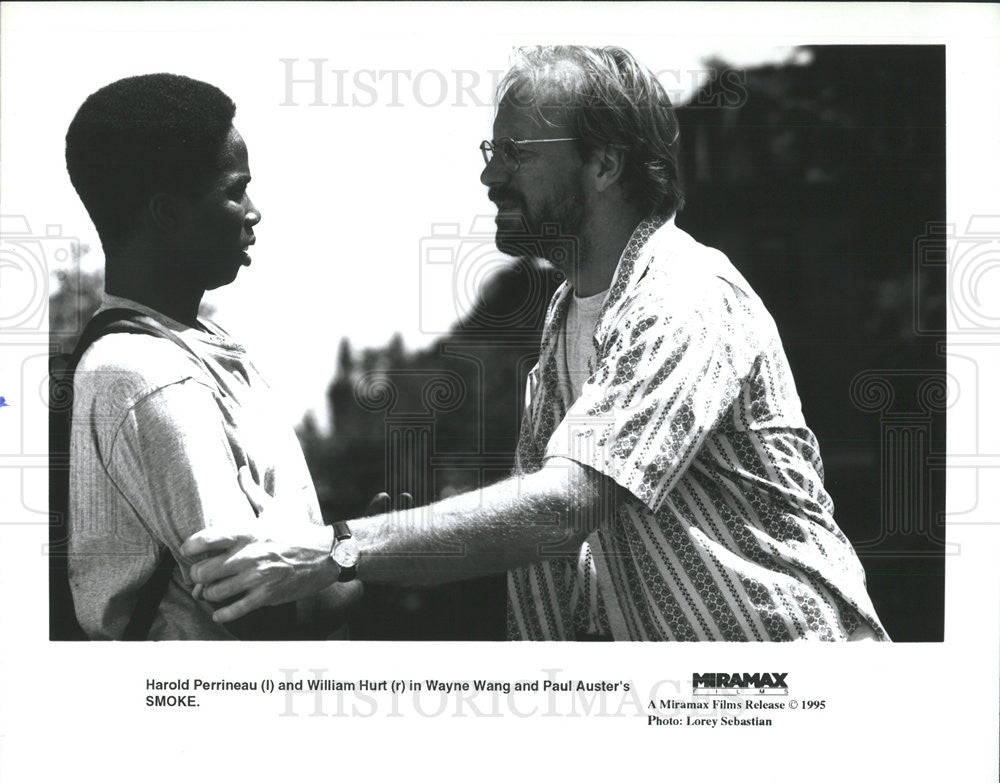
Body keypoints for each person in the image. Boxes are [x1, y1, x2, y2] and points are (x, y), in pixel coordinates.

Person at [183, 46, 889, 641]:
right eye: (494, 152)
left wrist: (339, 551)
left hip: (794, 694)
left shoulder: (683, 295)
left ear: (606, 164)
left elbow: (563, 507)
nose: (491, 174)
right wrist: (385, 552)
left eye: (515, 153)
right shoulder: (566, 317)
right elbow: (558, 550)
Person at [64, 73, 360, 640]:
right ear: (167, 215)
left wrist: (329, 545)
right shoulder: (150, 376)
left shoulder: (189, 354)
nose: (253, 212)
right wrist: (359, 557)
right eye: (234, 189)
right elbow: (256, 610)